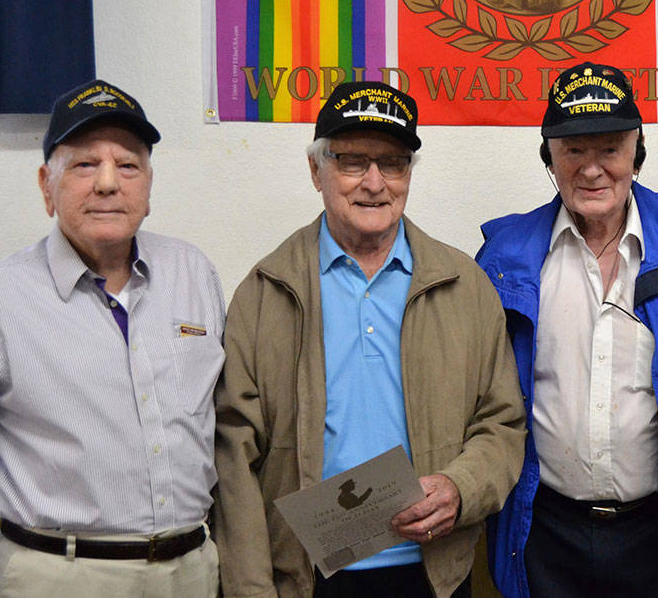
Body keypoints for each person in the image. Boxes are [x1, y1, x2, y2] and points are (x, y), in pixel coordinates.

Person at [0, 79, 226, 597]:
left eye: (128, 165)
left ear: (149, 185)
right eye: (85, 165)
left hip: (192, 573)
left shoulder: (194, 273)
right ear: (47, 185)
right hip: (56, 577)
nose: (109, 183)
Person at [213, 80, 526, 598]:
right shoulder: (266, 292)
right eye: (353, 161)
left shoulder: (463, 284)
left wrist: (460, 488)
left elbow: (502, 421)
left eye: (394, 163)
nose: (375, 183)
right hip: (308, 579)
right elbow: (234, 459)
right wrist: (250, 589)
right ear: (316, 170)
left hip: (434, 574)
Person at [477, 62, 658, 597]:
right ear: (549, 156)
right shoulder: (506, 256)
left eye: (609, 148)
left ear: (637, 152)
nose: (592, 170)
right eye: (573, 150)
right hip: (545, 533)